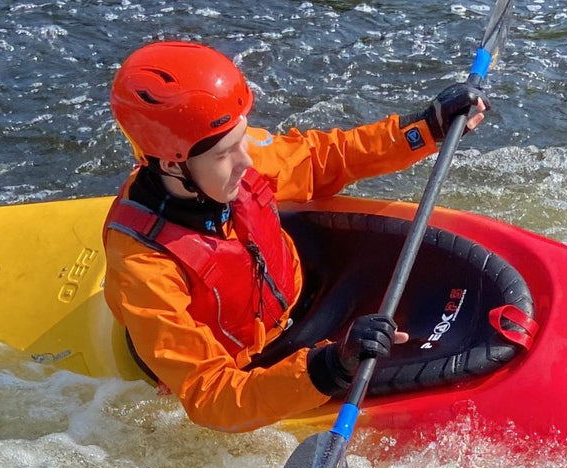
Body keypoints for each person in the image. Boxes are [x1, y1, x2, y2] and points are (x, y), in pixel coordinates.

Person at [103, 41, 487, 432]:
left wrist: (423, 129)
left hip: (295, 301)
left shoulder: (220, 154)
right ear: (172, 163)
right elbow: (211, 396)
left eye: (242, 139)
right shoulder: (144, 269)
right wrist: (330, 367)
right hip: (248, 368)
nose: (247, 162)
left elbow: (323, 158)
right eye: (225, 154)